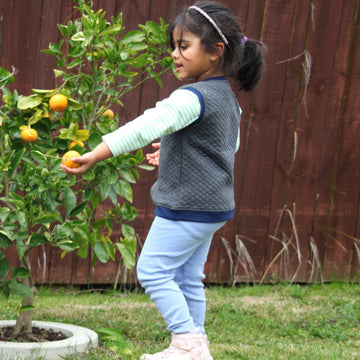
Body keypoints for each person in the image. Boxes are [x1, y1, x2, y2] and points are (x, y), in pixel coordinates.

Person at [61, 1, 265, 359]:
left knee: (153, 270)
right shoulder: (228, 100)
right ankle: (197, 347)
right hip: (213, 208)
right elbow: (225, 146)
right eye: (174, 46)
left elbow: (148, 124)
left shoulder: (191, 97)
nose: (174, 54)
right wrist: (172, 152)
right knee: (188, 278)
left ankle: (185, 344)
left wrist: (97, 152)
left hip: (187, 207)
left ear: (216, 52)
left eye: (184, 46)